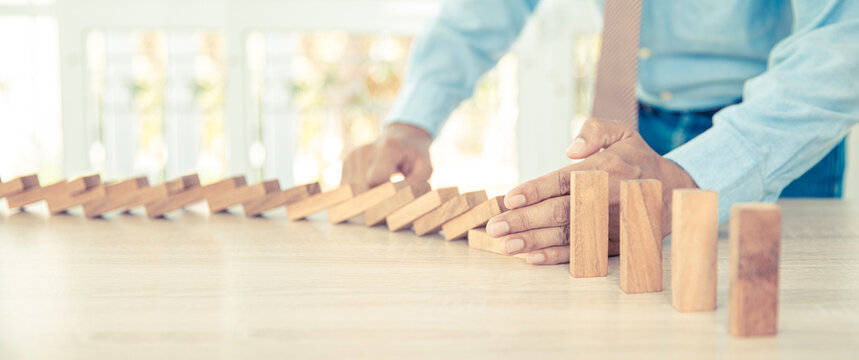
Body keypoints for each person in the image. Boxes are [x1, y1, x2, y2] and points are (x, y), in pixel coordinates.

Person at [341, 0, 859, 265]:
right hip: (639, 121)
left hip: (772, 132)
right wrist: (412, 121)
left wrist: (691, 176)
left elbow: (841, 41)